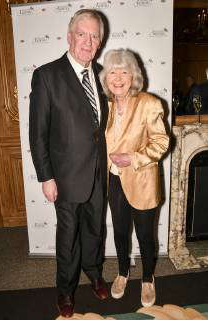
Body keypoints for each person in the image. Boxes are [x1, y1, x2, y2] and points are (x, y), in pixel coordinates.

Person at [29, 9, 109, 318]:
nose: (88, 42)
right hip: (64, 177)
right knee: (68, 239)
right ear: (69, 35)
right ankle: (65, 290)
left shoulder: (104, 74)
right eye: (82, 34)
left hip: (99, 174)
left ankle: (94, 272)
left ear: (99, 41)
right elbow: (38, 133)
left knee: (95, 231)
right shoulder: (47, 75)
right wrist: (46, 177)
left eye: (94, 36)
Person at [99, 49, 169, 307]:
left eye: (124, 71)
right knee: (119, 232)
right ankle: (122, 272)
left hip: (142, 181)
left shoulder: (149, 103)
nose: (118, 78)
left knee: (145, 236)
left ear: (134, 76)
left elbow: (161, 142)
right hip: (114, 181)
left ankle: (148, 278)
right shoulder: (103, 106)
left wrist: (134, 158)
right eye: (113, 72)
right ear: (106, 77)